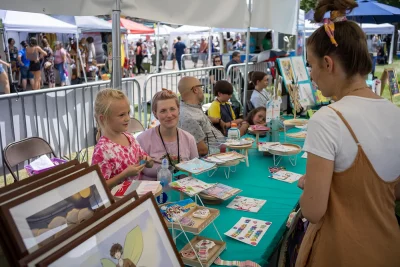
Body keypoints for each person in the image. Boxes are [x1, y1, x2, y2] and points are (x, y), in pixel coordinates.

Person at [296, 1, 400, 266]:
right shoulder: (394, 113)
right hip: (388, 245)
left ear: (328, 64)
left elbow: (313, 211)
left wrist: (311, 185)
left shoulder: (328, 119)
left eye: (311, 65)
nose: (312, 75)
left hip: (340, 252)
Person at [92, 89, 153, 188]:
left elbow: (145, 159)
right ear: (103, 118)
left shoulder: (129, 137)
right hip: (118, 201)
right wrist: (124, 174)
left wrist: (148, 161)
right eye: (121, 115)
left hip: (136, 195)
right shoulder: (102, 150)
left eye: (128, 113)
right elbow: (98, 187)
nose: (128, 118)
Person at [137, 89, 198, 180]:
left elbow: (196, 170)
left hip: (182, 191)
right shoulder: (143, 139)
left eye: (172, 109)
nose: (169, 115)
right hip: (153, 192)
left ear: (178, 110)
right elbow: (136, 172)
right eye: (163, 111)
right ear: (155, 114)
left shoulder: (189, 139)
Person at [178, 76, 225, 156]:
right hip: (214, 157)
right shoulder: (189, 117)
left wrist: (217, 120)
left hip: (220, 149)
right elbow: (202, 150)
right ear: (195, 90)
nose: (202, 90)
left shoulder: (192, 108)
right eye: (201, 87)